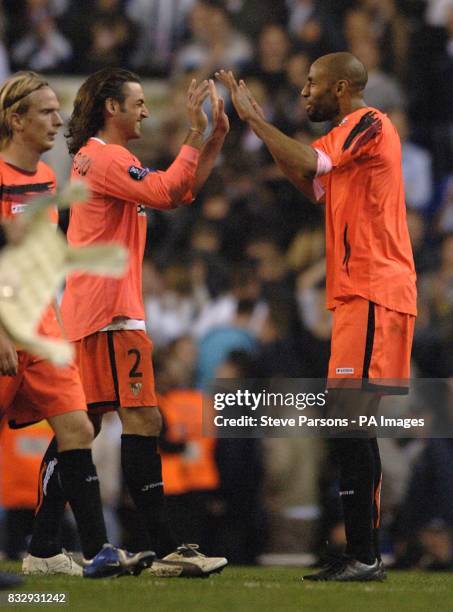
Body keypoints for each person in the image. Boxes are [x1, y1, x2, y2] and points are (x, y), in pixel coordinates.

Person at [217, 52, 417, 582]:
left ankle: (367, 554)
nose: (304, 92)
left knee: (353, 424)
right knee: (348, 426)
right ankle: (359, 553)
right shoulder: (348, 145)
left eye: (312, 83)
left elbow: (309, 164)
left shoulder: (369, 123)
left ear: (343, 87)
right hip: (357, 293)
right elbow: (312, 184)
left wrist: (257, 121)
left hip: (376, 287)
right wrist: (263, 132)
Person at [31, 67, 229, 578]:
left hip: (95, 311)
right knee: (143, 420)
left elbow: (179, 191)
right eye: (137, 102)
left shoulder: (107, 160)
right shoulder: (104, 157)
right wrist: (192, 131)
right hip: (111, 314)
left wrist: (210, 141)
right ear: (110, 108)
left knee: (83, 426)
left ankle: (42, 545)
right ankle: (166, 550)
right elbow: (165, 192)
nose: (145, 110)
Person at [0, 71, 155, 579]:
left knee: (77, 426)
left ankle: (98, 552)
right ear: (15, 119)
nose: (57, 120)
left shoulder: (47, 178)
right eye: (45, 112)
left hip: (43, 328)